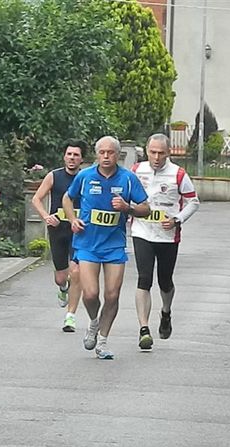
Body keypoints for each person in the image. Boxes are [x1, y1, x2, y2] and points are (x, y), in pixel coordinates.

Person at [63, 136, 150, 359]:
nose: (105, 156)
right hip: (87, 244)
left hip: (114, 245)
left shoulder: (128, 179)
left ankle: (102, 341)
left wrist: (127, 207)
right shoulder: (85, 176)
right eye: (101, 152)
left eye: (110, 153)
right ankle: (94, 321)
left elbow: (146, 208)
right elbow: (67, 198)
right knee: (91, 294)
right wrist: (73, 219)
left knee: (112, 295)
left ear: (117, 155)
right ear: (96, 155)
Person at [130, 133, 199, 350]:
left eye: (161, 153)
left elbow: (193, 202)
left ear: (168, 153)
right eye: (153, 152)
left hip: (168, 237)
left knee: (165, 281)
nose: (156, 157)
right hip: (142, 232)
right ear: (146, 151)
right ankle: (143, 328)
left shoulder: (178, 174)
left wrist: (177, 219)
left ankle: (166, 312)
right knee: (144, 279)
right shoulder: (135, 170)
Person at [31, 139, 86, 332]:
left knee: (77, 272)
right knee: (61, 278)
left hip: (78, 231)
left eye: (76, 155)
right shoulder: (54, 176)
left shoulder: (86, 178)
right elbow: (36, 199)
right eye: (69, 154)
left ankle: (70, 317)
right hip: (57, 230)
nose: (72, 158)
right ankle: (63, 289)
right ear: (64, 156)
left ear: (82, 159)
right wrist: (46, 216)